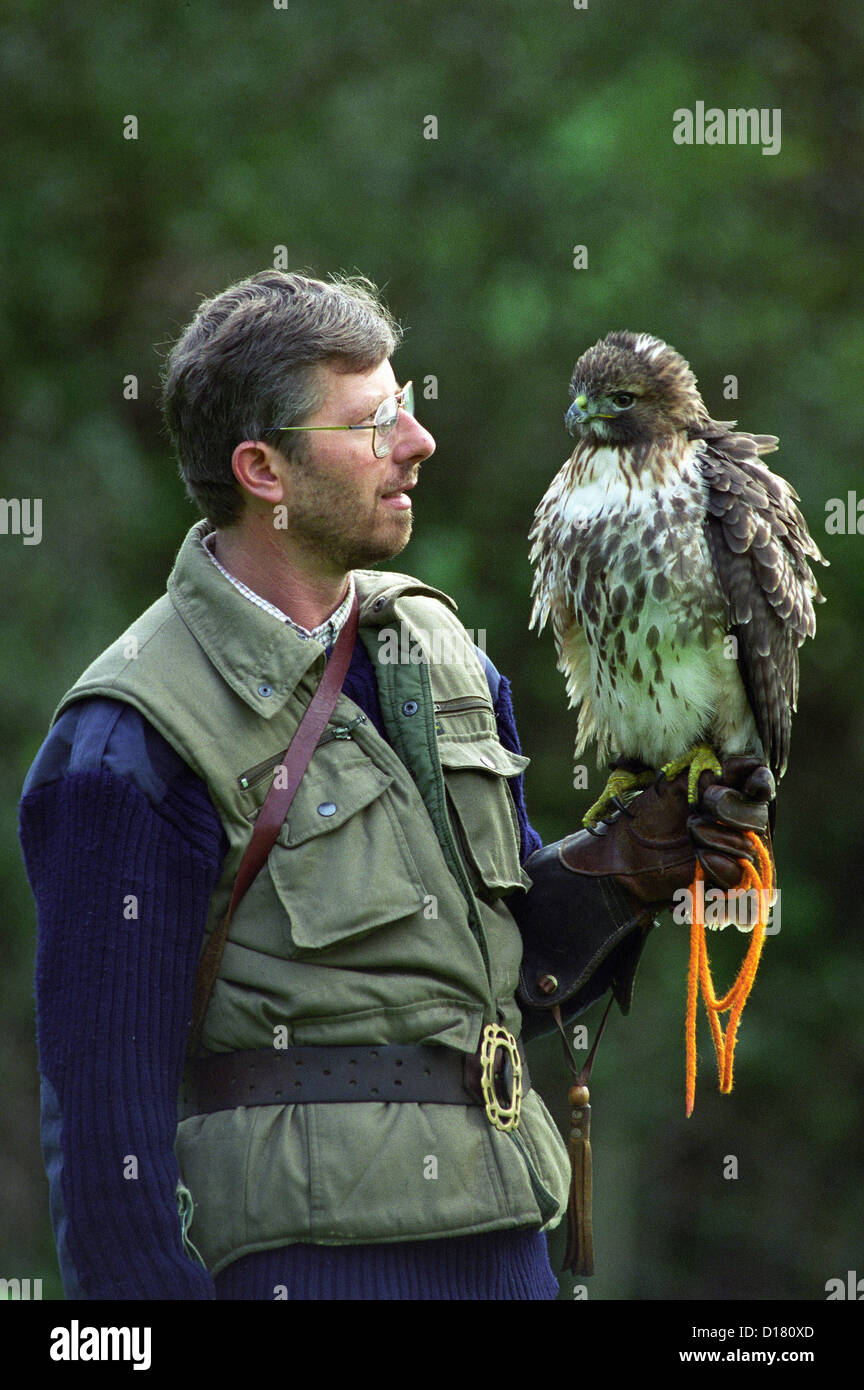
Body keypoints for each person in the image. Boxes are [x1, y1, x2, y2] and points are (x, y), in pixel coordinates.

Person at [19, 270, 772, 1301]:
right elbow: (106, 1133)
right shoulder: (131, 739)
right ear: (263, 470)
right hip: (304, 1270)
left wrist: (625, 875)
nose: (417, 443)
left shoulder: (439, 651)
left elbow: (489, 977)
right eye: (375, 424)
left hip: (508, 1245)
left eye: (407, 407)